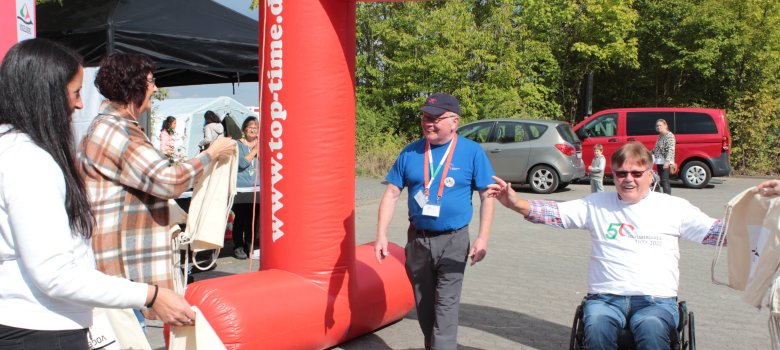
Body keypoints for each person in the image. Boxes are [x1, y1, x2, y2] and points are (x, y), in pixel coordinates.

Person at [0, 39, 194, 349]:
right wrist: (150, 295)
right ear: (45, 94)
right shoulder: (30, 161)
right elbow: (55, 274)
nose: (79, 105)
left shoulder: (11, 150)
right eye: (75, 93)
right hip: (43, 328)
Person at [486, 142, 723, 349]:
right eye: (621, 174)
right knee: (597, 327)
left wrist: (756, 215)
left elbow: (715, 233)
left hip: (656, 301)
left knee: (651, 328)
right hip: (605, 299)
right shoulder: (597, 204)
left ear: (651, 175)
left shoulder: (674, 207)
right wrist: (516, 204)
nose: (628, 179)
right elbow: (556, 213)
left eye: (636, 173)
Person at [78, 53, 236, 323]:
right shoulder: (117, 130)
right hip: (123, 274)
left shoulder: (114, 127)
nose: (154, 88)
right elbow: (168, 181)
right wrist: (210, 154)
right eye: (151, 81)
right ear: (133, 85)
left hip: (123, 273)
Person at [374, 93, 495, 350]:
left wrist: (483, 238)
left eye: (435, 118)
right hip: (418, 242)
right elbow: (392, 193)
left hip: (454, 240)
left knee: (446, 309)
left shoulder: (472, 152)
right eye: (425, 117)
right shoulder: (411, 152)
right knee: (425, 308)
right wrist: (381, 234)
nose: (428, 123)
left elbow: (488, 196)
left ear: (454, 121)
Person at [231, 116, 260, 260]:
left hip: (257, 188)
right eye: (250, 127)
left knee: (253, 219)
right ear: (244, 130)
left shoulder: (260, 143)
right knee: (241, 218)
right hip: (241, 188)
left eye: (256, 127)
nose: (253, 129)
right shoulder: (237, 145)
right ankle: (238, 246)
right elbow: (242, 163)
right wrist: (255, 150)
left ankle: (250, 245)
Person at [651, 119, 675, 195]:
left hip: (665, 162)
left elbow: (671, 149)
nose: (658, 127)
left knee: (665, 181)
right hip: (659, 161)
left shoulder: (669, 135)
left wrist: (667, 162)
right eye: (657, 126)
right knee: (660, 180)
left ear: (665, 125)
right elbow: (656, 149)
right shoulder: (660, 136)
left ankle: (668, 198)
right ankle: (661, 196)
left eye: (660, 125)